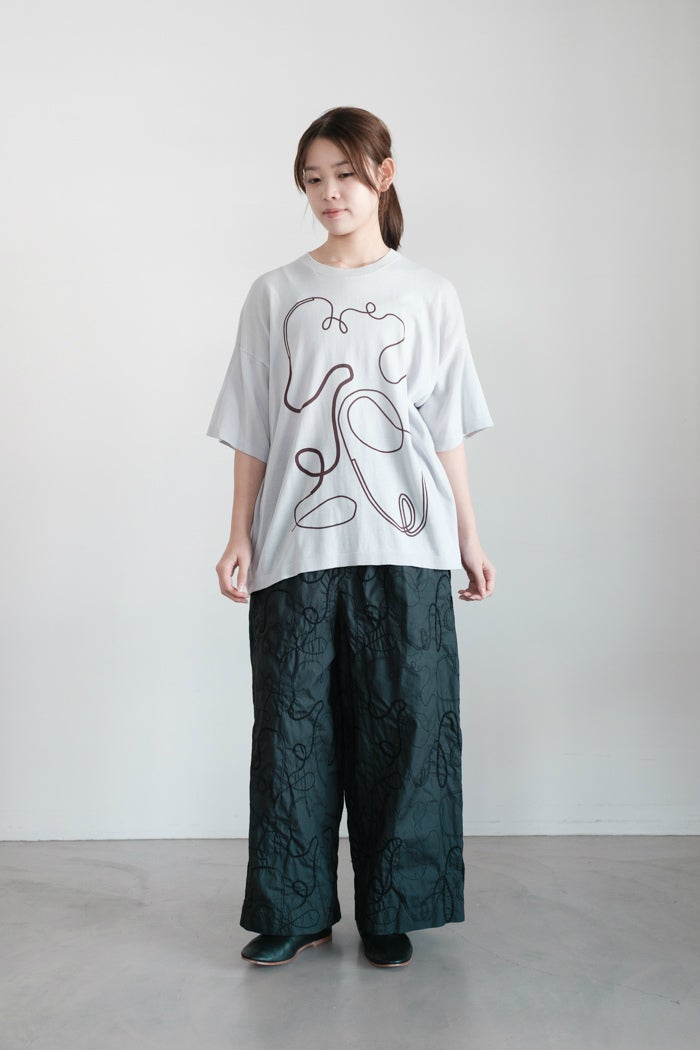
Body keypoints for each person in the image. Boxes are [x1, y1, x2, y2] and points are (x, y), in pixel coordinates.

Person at [206, 106, 496, 968]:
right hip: (297, 547)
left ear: (383, 174)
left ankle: (391, 908)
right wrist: (238, 533)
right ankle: (295, 909)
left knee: (407, 727)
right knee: (292, 731)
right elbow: (253, 423)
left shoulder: (429, 294)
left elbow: (445, 427)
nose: (329, 193)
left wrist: (469, 535)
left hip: (407, 547)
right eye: (313, 179)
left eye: (343, 175)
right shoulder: (276, 292)